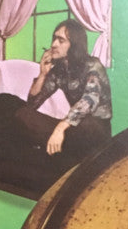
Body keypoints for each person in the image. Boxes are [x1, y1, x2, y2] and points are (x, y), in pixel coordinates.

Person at [14, 19, 112, 169]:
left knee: (87, 124)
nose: (54, 44)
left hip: (94, 128)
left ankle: (59, 148)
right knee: (24, 114)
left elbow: (89, 100)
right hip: (72, 128)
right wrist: (42, 74)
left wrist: (60, 128)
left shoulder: (93, 65)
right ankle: (60, 148)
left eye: (61, 40)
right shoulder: (59, 70)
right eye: (54, 39)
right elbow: (32, 103)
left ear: (74, 44)